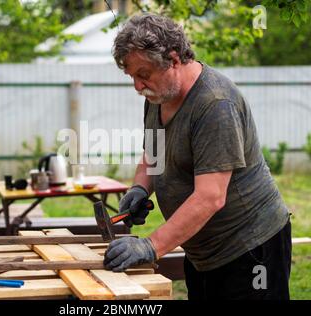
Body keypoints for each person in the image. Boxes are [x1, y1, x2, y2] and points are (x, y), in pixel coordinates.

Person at [103, 13, 292, 300]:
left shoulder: (215, 104)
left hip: (251, 249)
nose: (138, 87)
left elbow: (211, 197)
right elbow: (154, 152)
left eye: (143, 74)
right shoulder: (159, 96)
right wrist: (140, 187)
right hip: (201, 248)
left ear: (174, 59)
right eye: (132, 77)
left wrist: (150, 246)